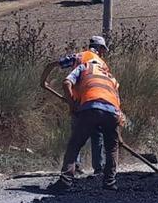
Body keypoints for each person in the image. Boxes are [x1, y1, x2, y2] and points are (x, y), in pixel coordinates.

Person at [40, 36, 109, 175]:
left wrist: (43, 81)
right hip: (98, 102)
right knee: (97, 134)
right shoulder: (102, 64)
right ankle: (98, 169)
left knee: (77, 135)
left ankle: (75, 166)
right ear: (100, 49)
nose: (103, 53)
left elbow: (51, 64)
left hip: (79, 103)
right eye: (103, 50)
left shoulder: (78, 57)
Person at [57, 50, 123, 190]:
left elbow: (66, 83)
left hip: (90, 108)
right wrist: (118, 135)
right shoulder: (110, 77)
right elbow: (117, 104)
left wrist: (72, 104)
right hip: (112, 112)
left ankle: (66, 180)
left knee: (75, 144)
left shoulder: (84, 67)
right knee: (112, 147)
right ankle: (110, 182)